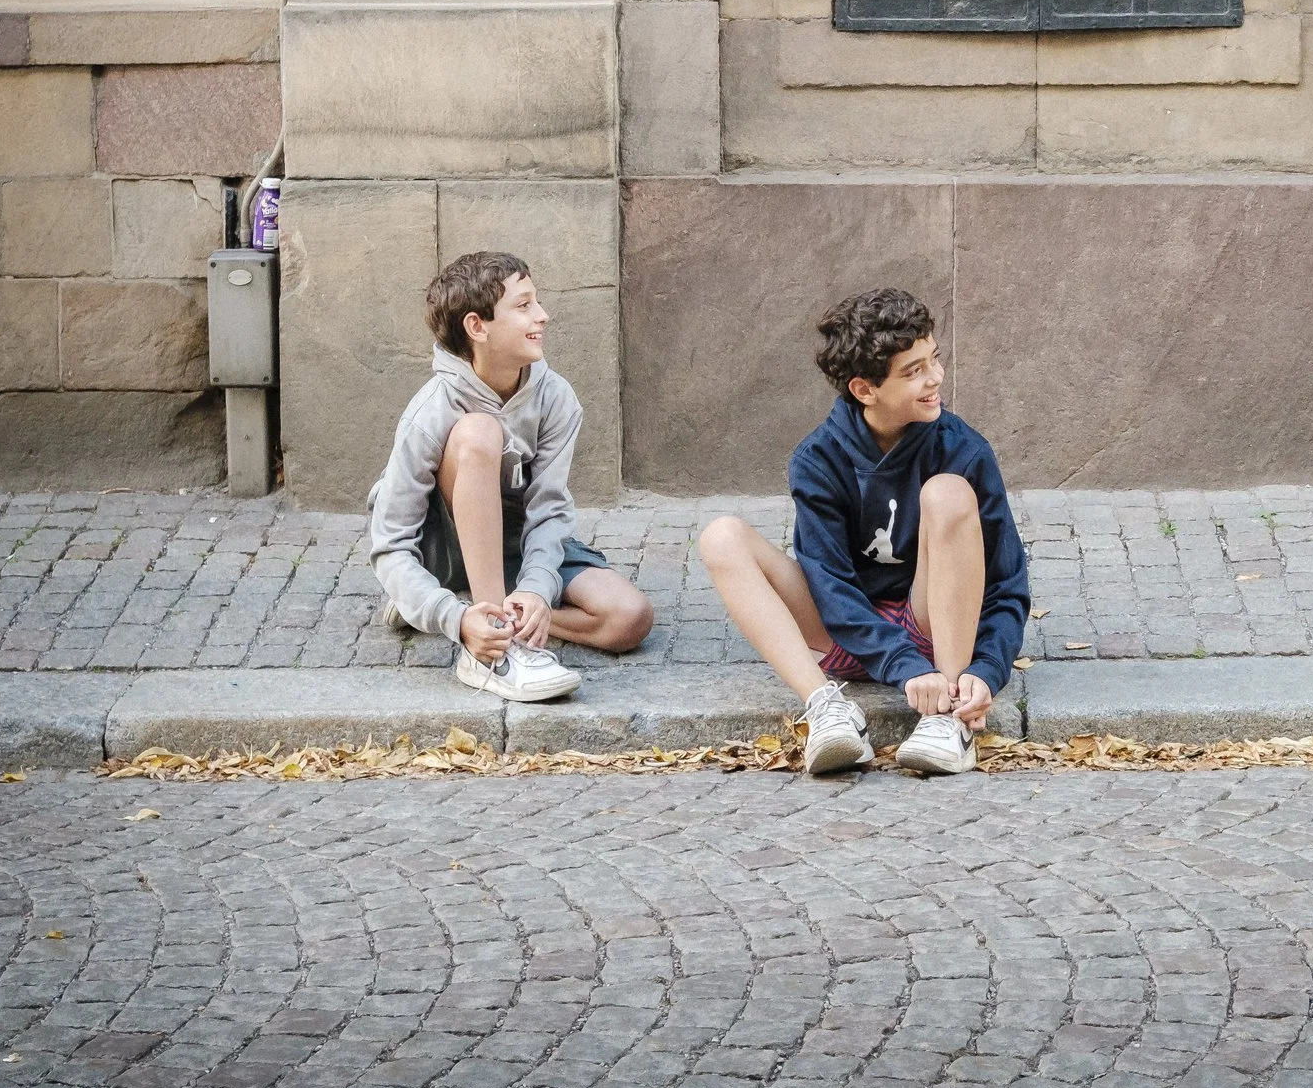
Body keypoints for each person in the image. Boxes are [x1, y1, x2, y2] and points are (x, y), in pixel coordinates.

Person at [698, 288, 1030, 776]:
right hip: (843, 634)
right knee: (721, 536)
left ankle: (948, 717)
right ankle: (827, 708)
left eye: (934, 359)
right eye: (913, 371)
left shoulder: (964, 450)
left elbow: (1007, 584)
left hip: (935, 630)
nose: (936, 377)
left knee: (948, 492)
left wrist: (985, 669)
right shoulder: (818, 459)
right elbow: (828, 587)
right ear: (865, 389)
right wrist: (902, 665)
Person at [368, 250, 653, 702]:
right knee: (480, 432)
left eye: (536, 301)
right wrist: (450, 619)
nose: (543, 315)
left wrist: (537, 590)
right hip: (444, 549)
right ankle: (489, 651)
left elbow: (550, 510)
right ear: (477, 327)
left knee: (629, 618)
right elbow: (391, 544)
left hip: (516, 543)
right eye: (524, 306)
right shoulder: (431, 411)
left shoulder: (555, 398)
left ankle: (494, 610)